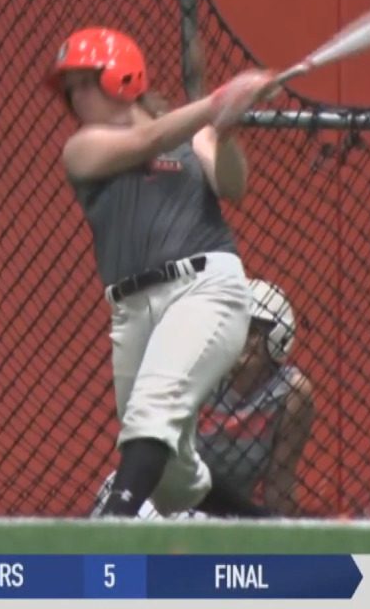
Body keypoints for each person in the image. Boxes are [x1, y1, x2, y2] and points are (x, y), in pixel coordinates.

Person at [47, 26, 279, 518]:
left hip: (205, 288)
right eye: (70, 89)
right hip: (132, 308)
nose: (75, 97)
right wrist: (219, 100)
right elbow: (149, 137)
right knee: (172, 481)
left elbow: (232, 185)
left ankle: (111, 526)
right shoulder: (83, 148)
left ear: (121, 78)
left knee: (153, 410)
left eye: (85, 83)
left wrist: (226, 128)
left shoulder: (193, 136)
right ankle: (273, 530)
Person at [91, 278, 316, 519]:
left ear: (277, 338)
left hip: (227, 512)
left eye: (250, 331)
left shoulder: (290, 393)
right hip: (164, 495)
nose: (238, 338)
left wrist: (286, 540)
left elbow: (280, 482)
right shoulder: (198, 369)